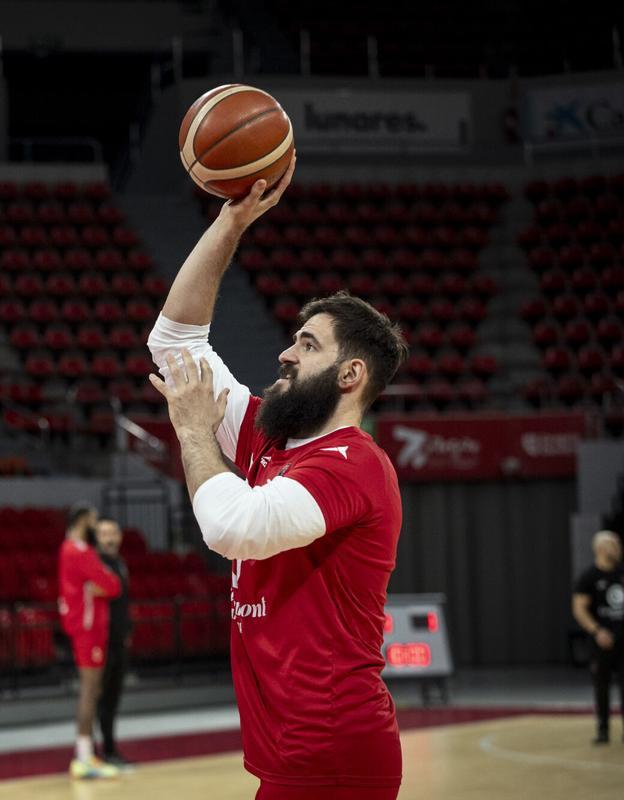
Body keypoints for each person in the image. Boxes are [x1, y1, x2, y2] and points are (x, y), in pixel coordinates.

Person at [148, 157, 411, 800]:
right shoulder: (275, 438)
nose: (285, 353)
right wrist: (230, 222)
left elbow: (233, 528)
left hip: (334, 752)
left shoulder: (354, 465)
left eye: (308, 345)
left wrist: (190, 431)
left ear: (350, 376)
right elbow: (175, 344)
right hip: (294, 754)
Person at [58, 502, 122, 780]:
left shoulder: (68, 548)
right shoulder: (79, 551)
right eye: (94, 522)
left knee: (92, 691)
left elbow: (108, 585)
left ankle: (86, 754)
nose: (96, 528)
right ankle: (83, 757)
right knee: (89, 691)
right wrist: (100, 586)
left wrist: (100, 586)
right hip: (88, 627)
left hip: (87, 625)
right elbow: (113, 585)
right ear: (83, 521)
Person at [572, 529, 624, 744]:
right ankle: (603, 729)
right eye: (613, 544)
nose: (618, 548)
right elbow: (579, 609)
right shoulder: (588, 577)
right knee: (601, 685)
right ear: (600, 548)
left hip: (623, 642)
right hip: (601, 642)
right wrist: (597, 631)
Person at [94, 518, 134, 770]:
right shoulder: (96, 564)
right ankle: (98, 751)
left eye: (112, 532)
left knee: (112, 698)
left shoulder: (120, 563)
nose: (109, 538)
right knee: (99, 698)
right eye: (103, 533)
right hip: (101, 641)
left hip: (119, 640)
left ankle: (109, 748)